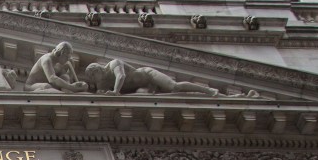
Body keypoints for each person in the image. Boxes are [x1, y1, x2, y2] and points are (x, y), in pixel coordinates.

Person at [79, 57, 220, 96]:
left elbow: (121, 76)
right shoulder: (102, 82)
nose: (95, 80)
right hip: (142, 89)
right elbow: (99, 95)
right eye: (92, 79)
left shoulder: (113, 64)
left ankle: (209, 91)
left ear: (97, 70)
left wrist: (116, 92)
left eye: (93, 76)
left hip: (148, 76)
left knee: (174, 87)